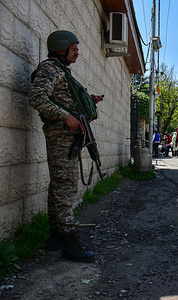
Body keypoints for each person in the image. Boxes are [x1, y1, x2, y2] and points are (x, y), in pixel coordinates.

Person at [28, 30, 104, 262]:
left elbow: (60, 97)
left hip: (67, 135)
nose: (77, 51)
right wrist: (66, 117)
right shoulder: (50, 68)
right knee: (65, 187)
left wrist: (87, 100)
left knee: (58, 186)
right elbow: (36, 97)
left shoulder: (61, 71)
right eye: (74, 48)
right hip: (60, 134)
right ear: (60, 48)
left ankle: (56, 237)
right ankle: (70, 240)